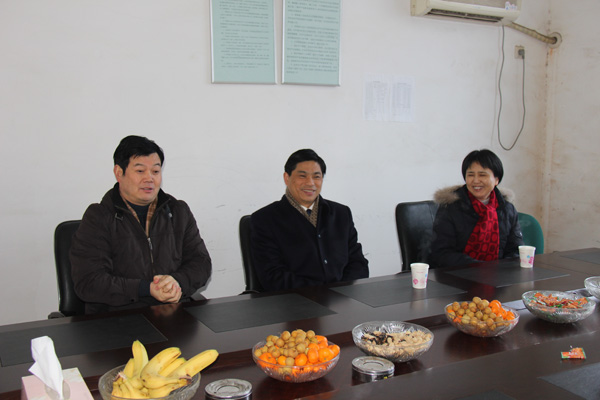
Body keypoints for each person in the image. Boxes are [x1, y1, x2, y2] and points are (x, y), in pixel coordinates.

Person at [70, 136, 212, 314]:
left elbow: (201, 264)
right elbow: (89, 282)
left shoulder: (178, 211)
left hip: (173, 313)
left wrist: (177, 281)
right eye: (140, 171)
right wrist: (146, 289)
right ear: (119, 172)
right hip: (118, 317)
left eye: (155, 171)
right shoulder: (98, 217)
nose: (149, 178)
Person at [250, 149, 369, 291]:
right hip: (294, 301)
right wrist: (322, 294)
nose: (310, 183)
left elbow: (358, 264)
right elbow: (272, 276)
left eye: (316, 176)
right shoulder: (264, 219)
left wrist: (341, 292)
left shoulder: (341, 214)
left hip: (343, 298)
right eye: (302, 176)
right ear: (287, 178)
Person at [429, 149, 523, 269]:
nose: (476, 181)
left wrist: (501, 270)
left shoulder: (507, 210)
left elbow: (515, 250)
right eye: (470, 175)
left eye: (482, 175)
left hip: (499, 275)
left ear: (496, 180)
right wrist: (480, 268)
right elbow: (441, 254)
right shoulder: (450, 207)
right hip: (459, 275)